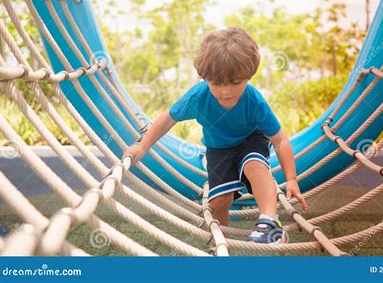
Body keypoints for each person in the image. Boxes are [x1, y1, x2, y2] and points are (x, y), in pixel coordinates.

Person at [124, 27, 308, 244]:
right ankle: (219, 240)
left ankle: (270, 224)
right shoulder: (198, 97)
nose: (226, 91)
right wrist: (143, 147)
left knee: (254, 164)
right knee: (220, 200)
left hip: (251, 139)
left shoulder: (254, 102)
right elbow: (167, 119)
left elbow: (280, 140)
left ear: (248, 77)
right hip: (219, 149)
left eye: (235, 82)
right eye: (217, 83)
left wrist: (292, 179)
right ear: (205, 78)